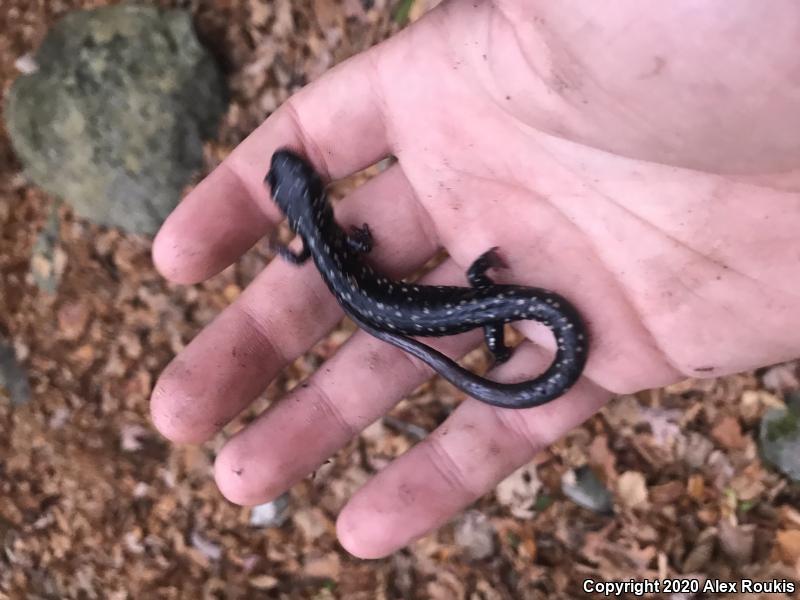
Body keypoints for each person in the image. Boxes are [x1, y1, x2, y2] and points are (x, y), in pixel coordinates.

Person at [149, 1, 800, 558]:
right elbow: (357, 241)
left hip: (458, 305)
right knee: (467, 303)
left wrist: (491, 340)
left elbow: (327, 251)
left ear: (305, 212)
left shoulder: (317, 250)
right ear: (315, 199)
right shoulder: (336, 242)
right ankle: (489, 338)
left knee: (468, 311)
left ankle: (492, 345)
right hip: (460, 301)